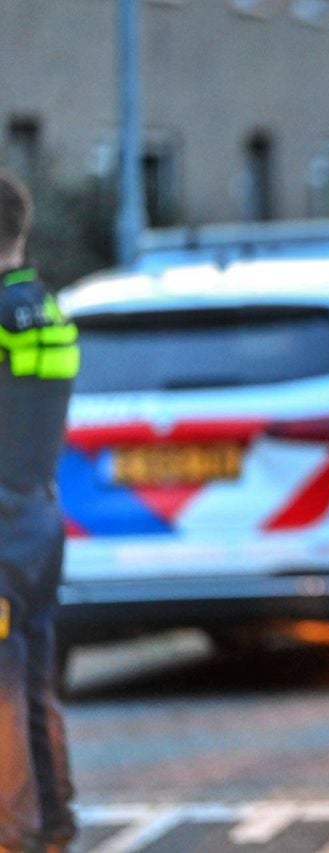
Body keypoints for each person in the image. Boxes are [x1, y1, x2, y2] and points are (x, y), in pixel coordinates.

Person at [0, 169, 79, 853]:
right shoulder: (46, 307)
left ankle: (14, 834)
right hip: (39, 516)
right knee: (34, 681)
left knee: (3, 686)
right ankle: (53, 821)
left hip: (1, 523)